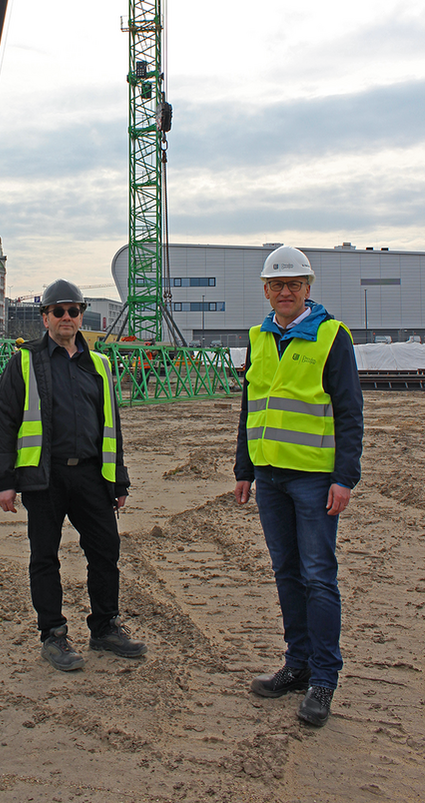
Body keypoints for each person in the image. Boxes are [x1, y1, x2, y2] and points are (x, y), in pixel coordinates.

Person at [0, 278, 147, 671]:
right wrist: (4, 480)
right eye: (58, 311)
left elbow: (112, 425)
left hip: (92, 475)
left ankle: (105, 626)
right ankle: (53, 634)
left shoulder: (99, 364)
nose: (67, 318)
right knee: (45, 557)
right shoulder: (25, 361)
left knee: (105, 552)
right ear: (45, 318)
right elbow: (3, 421)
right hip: (45, 477)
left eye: (73, 310)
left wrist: (118, 480)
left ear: (80, 315)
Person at [233, 245, 363, 727]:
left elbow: (350, 412)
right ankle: (298, 664)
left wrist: (344, 477)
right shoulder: (258, 337)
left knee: (317, 576)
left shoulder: (332, 337)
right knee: (287, 573)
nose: (284, 292)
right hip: (269, 477)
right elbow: (251, 407)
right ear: (265, 291)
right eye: (276, 285)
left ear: (308, 288)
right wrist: (243, 468)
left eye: (294, 284)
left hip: (313, 479)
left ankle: (324, 679)